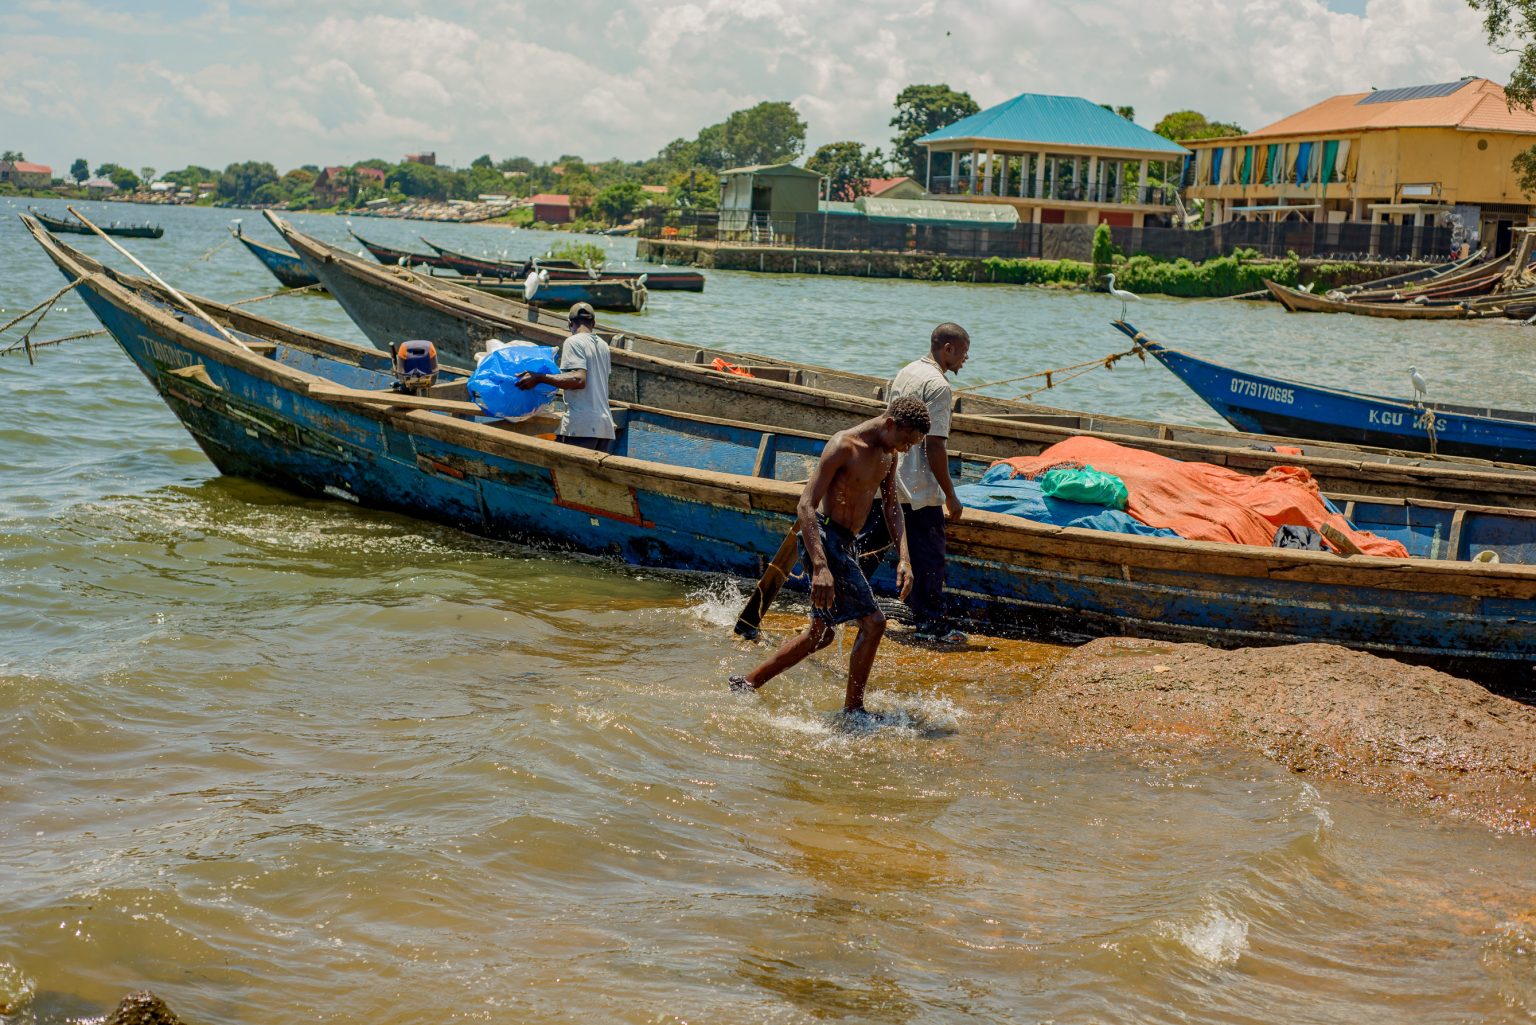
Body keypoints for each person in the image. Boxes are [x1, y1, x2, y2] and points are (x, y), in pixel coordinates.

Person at [729, 397, 931, 715]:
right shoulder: (843, 445)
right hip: (824, 538)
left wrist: (905, 558)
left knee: (820, 634)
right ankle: (854, 712)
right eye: (906, 440)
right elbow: (806, 505)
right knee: (874, 623)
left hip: (846, 543)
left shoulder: (889, 455)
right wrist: (820, 565)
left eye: (912, 444)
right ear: (891, 424)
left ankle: (748, 682)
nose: (906, 449)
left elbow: (892, 506)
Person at [887, 322, 971, 644]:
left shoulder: (906, 372)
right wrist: (951, 495)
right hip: (920, 487)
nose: (965, 359)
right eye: (963, 352)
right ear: (947, 349)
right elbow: (935, 446)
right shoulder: (939, 386)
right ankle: (931, 625)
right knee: (930, 558)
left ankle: (842, 607)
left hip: (894, 480)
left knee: (874, 548)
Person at [514, 301, 615, 452]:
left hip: (582, 428)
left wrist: (539, 378)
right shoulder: (603, 346)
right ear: (593, 323)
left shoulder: (573, 342)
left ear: (569, 324)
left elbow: (578, 379)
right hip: (604, 428)